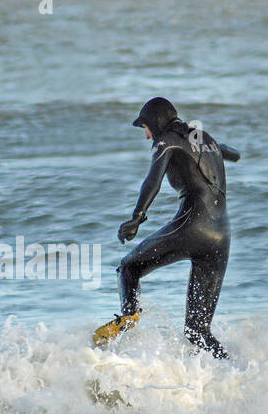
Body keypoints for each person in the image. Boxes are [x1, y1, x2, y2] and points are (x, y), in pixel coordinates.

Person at [94, 97, 241, 359]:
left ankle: (129, 318)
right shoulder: (202, 137)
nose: (146, 135)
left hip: (193, 226)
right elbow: (233, 153)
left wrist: (137, 218)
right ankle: (236, 371)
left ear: (156, 123)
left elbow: (153, 178)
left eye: (146, 128)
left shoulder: (166, 141)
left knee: (129, 268)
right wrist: (221, 152)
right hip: (221, 235)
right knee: (197, 330)